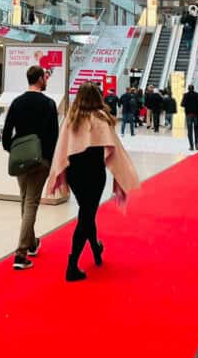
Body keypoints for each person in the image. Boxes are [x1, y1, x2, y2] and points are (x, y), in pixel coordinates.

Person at [47, 82, 140, 282]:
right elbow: (114, 149)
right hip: (94, 174)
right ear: (98, 97)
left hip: (75, 174)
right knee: (87, 215)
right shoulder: (101, 119)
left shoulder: (72, 120)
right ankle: (72, 265)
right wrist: (121, 173)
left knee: (86, 212)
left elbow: (62, 149)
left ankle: (96, 249)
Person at [2, 65, 60, 271]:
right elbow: (54, 136)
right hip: (41, 159)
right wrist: (51, 161)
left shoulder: (17, 103)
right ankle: (20, 253)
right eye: (45, 77)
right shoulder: (49, 104)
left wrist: (15, 151)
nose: (47, 80)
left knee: (25, 199)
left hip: (21, 159)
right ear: (39, 80)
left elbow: (6, 135)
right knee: (31, 202)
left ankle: (32, 242)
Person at [183, 84, 198, 151]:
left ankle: (191, 146)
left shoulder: (185, 95)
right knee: (196, 130)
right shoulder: (197, 95)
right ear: (193, 88)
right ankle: (196, 145)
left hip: (189, 114)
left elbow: (182, 104)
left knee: (189, 130)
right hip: (196, 115)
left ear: (188, 89)